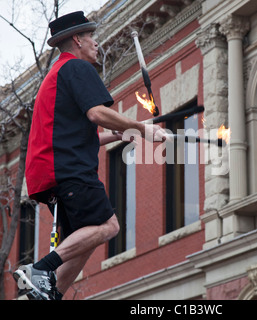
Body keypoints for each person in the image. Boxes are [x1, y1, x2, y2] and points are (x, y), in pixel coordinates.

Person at [13, 11, 167, 300]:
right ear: (77, 40)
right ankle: (38, 270)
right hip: (69, 170)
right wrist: (142, 129)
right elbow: (97, 113)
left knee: (85, 237)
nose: (97, 43)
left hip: (52, 171)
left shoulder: (56, 74)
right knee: (108, 226)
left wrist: (123, 133)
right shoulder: (77, 69)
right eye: (91, 37)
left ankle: (48, 294)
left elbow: (73, 136)